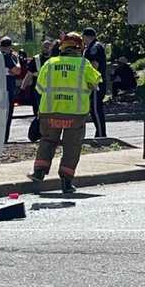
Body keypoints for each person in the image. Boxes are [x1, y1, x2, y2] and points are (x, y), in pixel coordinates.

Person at [27, 33, 101, 193]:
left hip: (50, 112)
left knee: (47, 141)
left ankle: (39, 172)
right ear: (79, 48)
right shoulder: (83, 64)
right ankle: (66, 183)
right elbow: (96, 83)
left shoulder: (50, 63)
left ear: (62, 47)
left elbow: (39, 88)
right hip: (75, 114)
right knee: (72, 147)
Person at [82, 27, 107, 137]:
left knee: (96, 109)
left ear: (87, 37)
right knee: (94, 109)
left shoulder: (94, 47)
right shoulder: (93, 46)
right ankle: (99, 133)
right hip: (96, 82)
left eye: (83, 37)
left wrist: (89, 80)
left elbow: (94, 65)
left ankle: (101, 134)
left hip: (96, 83)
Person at [0, 37, 21, 142]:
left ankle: (2, 138)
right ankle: (4, 139)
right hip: (6, 91)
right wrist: (16, 60)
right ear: (9, 47)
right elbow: (17, 70)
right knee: (7, 116)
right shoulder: (7, 57)